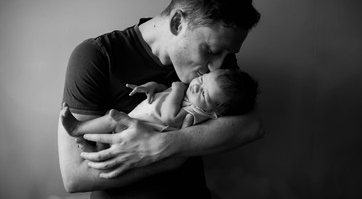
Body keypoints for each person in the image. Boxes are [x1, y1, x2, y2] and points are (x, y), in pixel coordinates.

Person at [58, 0, 264, 199]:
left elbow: (251, 126)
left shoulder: (216, 69)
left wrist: (165, 145)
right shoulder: (97, 56)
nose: (218, 65)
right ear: (178, 23)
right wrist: (164, 159)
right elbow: (75, 176)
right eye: (210, 50)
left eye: (227, 55)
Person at [61, 69, 259, 137]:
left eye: (205, 94)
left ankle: (77, 128)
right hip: (132, 121)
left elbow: (169, 117)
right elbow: (166, 91)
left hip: (134, 129)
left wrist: (179, 88)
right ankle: (89, 140)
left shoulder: (194, 114)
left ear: (216, 112)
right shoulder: (192, 98)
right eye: (202, 79)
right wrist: (153, 86)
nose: (197, 86)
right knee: (108, 118)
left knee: (112, 118)